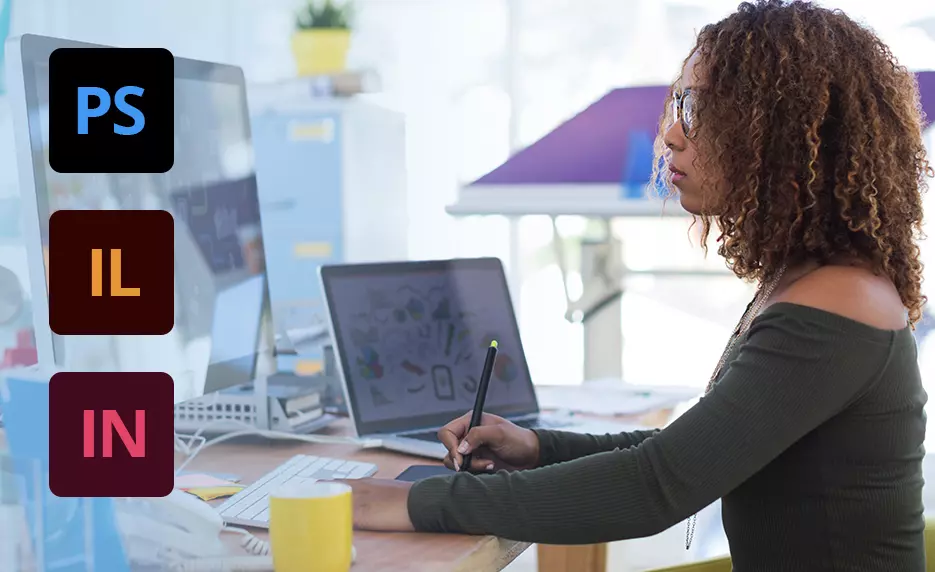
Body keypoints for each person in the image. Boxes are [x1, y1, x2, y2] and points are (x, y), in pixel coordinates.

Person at [339, 1, 932, 569]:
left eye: (700, 111)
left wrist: (410, 503)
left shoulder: (841, 302)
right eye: (679, 104)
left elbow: (657, 487)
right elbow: (692, 452)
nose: (673, 134)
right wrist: (537, 448)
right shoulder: (810, 280)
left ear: (779, 134)